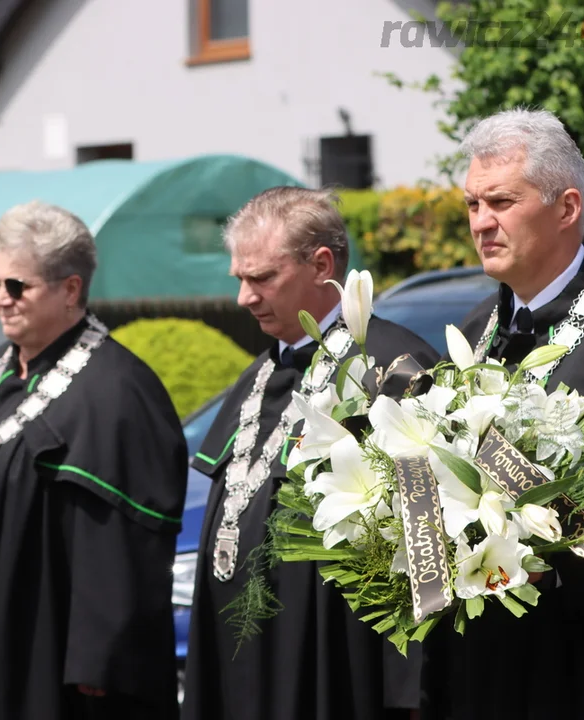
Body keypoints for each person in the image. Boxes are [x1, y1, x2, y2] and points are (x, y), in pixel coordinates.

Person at [0, 200, 187, 720]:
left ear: (71, 290)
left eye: (18, 287)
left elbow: (123, 549)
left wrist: (98, 664)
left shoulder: (120, 391)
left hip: (43, 655)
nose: (1, 300)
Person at [419, 109, 584, 720]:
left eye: (501, 201)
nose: (481, 222)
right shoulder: (468, 338)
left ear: (567, 207)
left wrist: (556, 559)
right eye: (472, 204)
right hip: (481, 672)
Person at [182, 187, 440, 720]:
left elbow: (426, 536)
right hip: (245, 650)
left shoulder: (394, 366)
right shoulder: (260, 374)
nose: (244, 299)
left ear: (322, 265)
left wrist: (409, 686)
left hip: (336, 655)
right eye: (240, 280)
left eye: (262, 279)